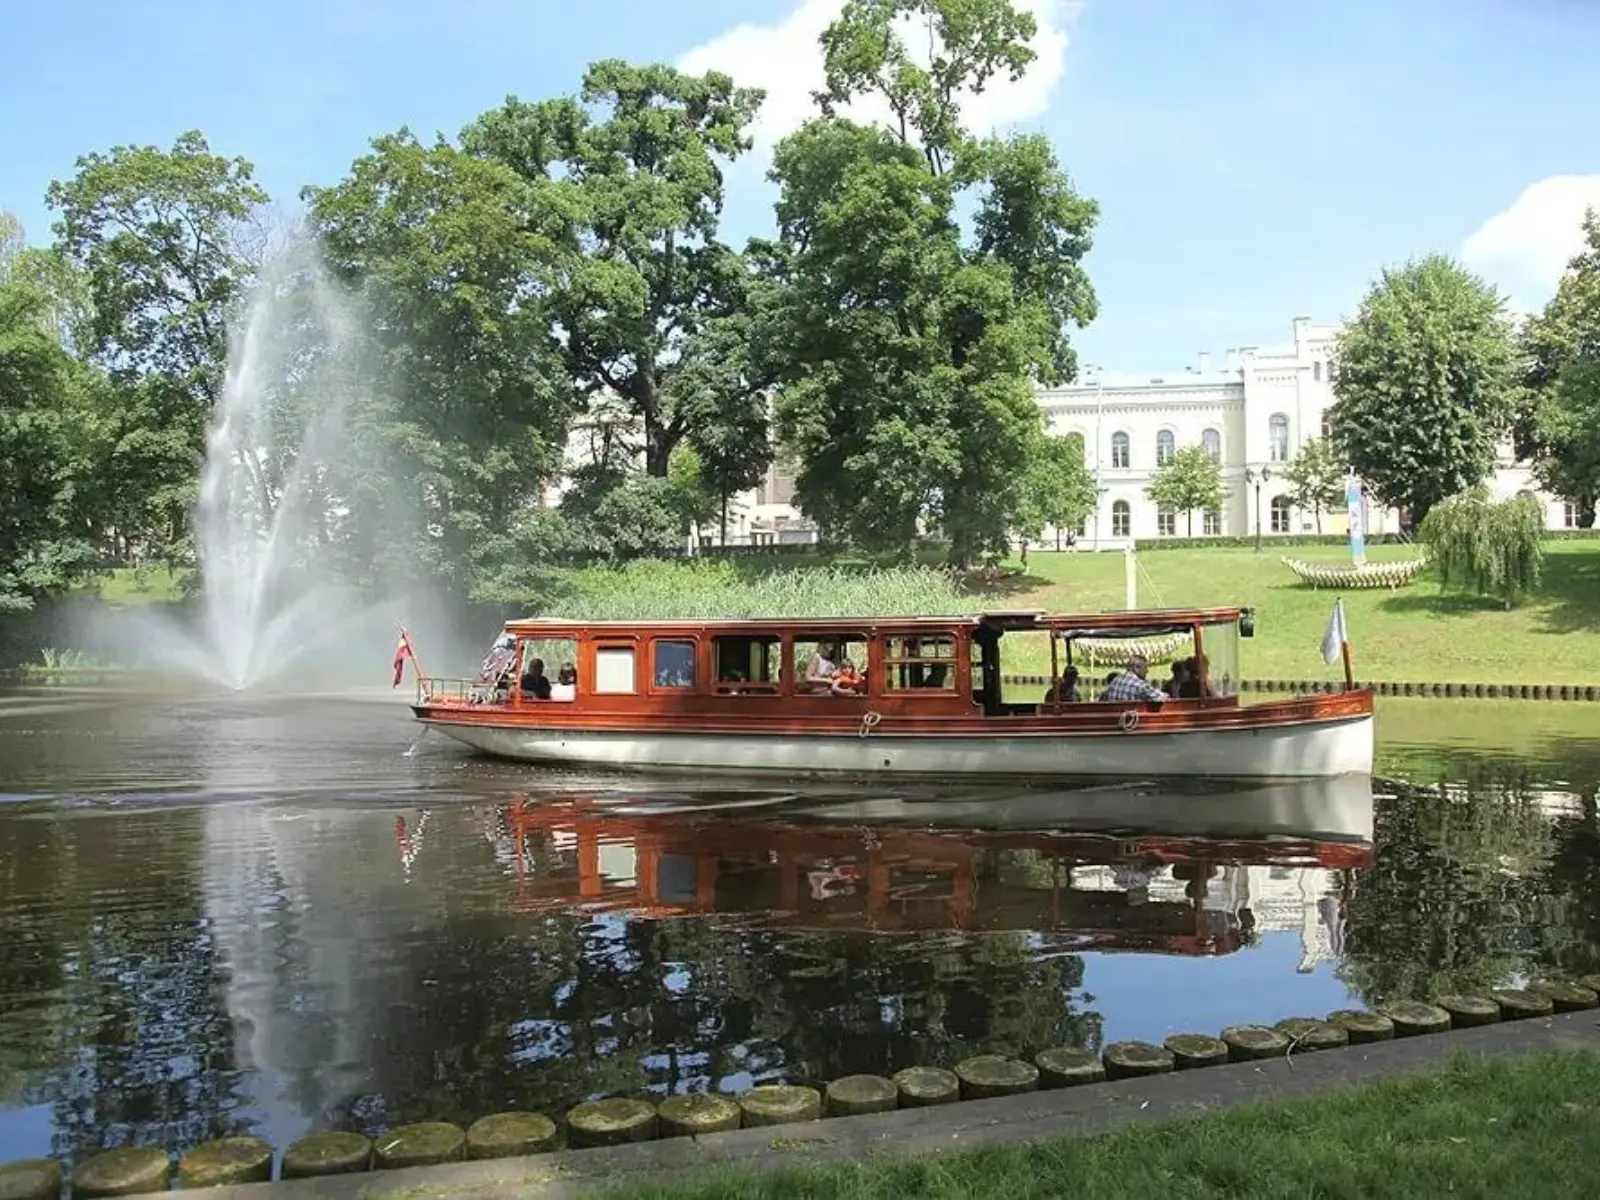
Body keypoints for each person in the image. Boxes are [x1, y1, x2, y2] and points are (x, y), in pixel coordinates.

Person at [1099, 655, 1167, 704]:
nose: (1147, 671)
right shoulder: (1139, 685)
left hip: (1114, 718)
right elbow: (1161, 698)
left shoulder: (1115, 681)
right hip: (1132, 719)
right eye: (1145, 668)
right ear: (1136, 668)